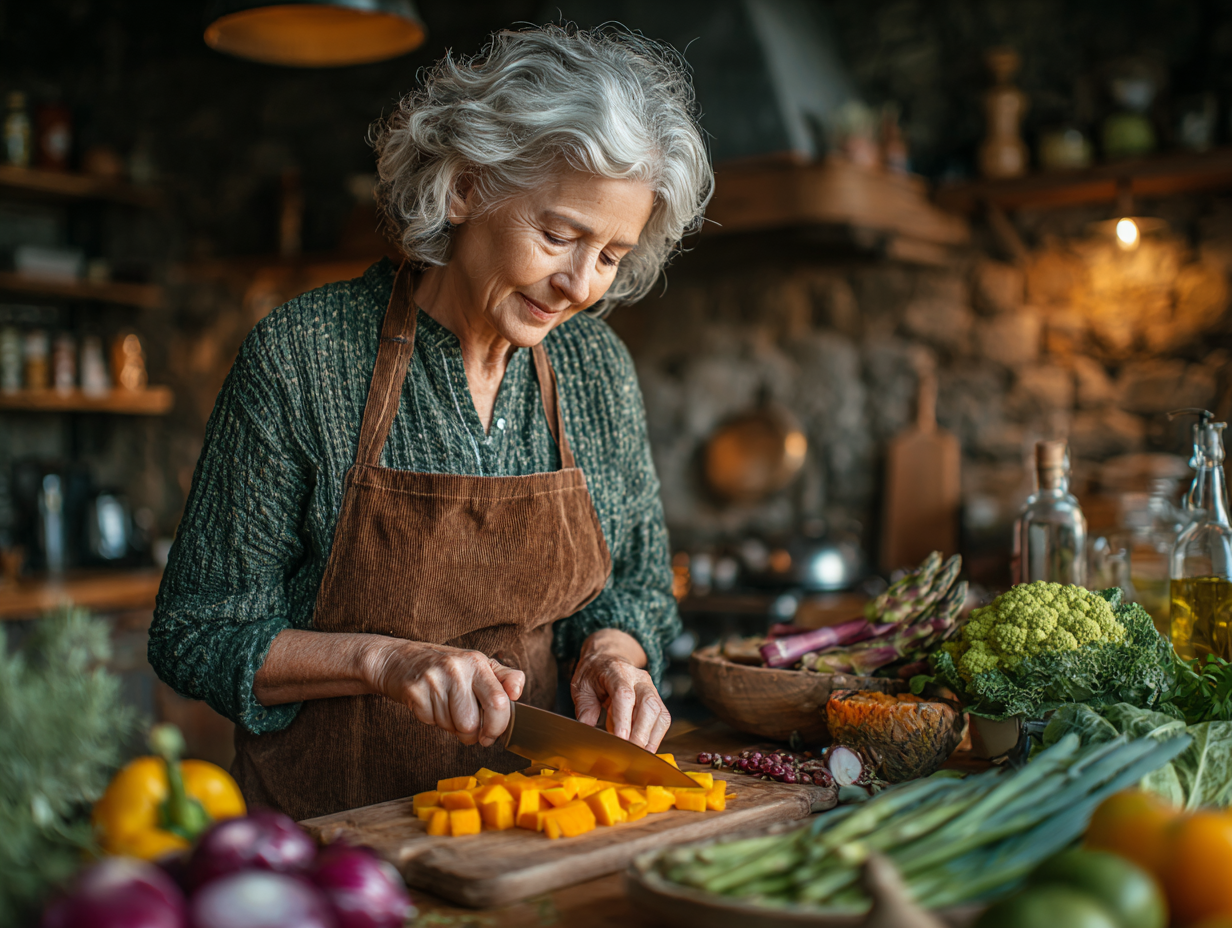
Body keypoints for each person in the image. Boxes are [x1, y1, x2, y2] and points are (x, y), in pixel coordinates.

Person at [148, 24, 714, 821]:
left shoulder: (596, 369)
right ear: (465, 186)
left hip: (531, 833)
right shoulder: (304, 357)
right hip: (330, 842)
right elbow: (197, 632)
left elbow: (634, 588)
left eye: (612, 255)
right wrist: (382, 661)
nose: (579, 285)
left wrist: (616, 655)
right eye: (559, 235)